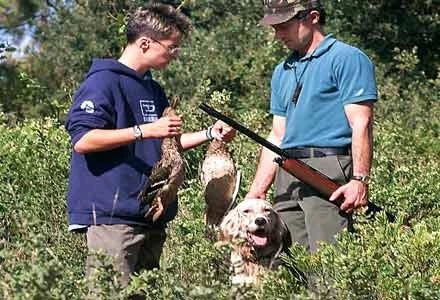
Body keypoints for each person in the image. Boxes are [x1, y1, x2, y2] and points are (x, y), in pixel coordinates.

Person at [64, 3, 235, 288]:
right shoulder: (103, 82)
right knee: (109, 293)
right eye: (172, 47)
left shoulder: (152, 88)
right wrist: (144, 130)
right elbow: (84, 140)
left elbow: (166, 141)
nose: (175, 55)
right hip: (113, 217)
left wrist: (209, 133)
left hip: (150, 216)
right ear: (145, 43)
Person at [246, 0, 377, 254]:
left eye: (284, 26)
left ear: (313, 17)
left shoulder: (347, 58)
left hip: (328, 169)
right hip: (286, 173)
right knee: (289, 264)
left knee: (330, 264)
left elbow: (361, 123)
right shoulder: (282, 70)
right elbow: (277, 135)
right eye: (274, 28)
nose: (278, 35)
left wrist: (359, 180)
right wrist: (257, 191)